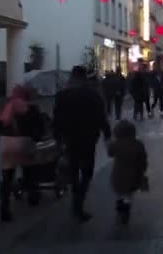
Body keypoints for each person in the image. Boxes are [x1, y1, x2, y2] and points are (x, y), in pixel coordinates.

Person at [53, 66, 111, 222]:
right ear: (85, 77)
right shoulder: (93, 95)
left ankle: (75, 196)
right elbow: (101, 117)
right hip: (88, 139)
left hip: (69, 139)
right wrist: (107, 136)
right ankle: (78, 202)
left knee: (73, 171)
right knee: (87, 172)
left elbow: (56, 119)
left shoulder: (62, 95)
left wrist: (57, 139)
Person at [0, 85, 43, 222]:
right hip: (25, 143)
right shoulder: (32, 108)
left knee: (7, 177)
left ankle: (5, 207)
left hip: (7, 144)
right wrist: (36, 137)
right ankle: (32, 196)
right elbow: (39, 126)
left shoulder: (7, 107)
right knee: (30, 171)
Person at [106, 120, 148, 224]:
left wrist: (109, 142)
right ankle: (125, 208)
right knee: (128, 194)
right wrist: (142, 170)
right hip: (133, 175)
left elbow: (110, 153)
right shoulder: (138, 144)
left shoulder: (116, 144)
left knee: (120, 192)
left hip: (118, 175)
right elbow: (143, 159)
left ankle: (121, 206)